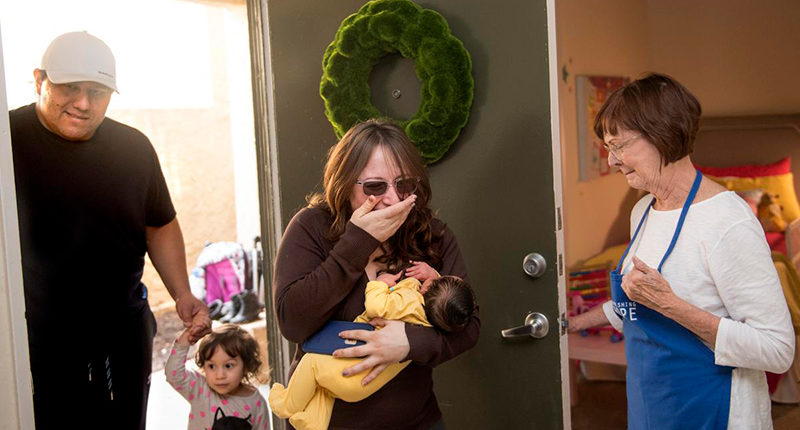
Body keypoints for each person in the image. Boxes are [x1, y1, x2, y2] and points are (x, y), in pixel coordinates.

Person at [569, 73, 795, 429]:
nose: (612, 161)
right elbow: (637, 302)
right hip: (651, 407)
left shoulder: (728, 221)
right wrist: (573, 323)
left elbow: (777, 350)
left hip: (716, 412)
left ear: (663, 135)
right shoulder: (643, 211)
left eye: (619, 146)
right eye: (608, 147)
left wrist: (671, 305)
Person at [9, 31, 211, 429]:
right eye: (70, 88)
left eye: (97, 92)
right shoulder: (6, 139)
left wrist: (182, 293)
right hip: (36, 335)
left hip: (121, 329)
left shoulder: (133, 149)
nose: (83, 104)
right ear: (39, 80)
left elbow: (160, 224)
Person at [272, 119, 480, 429]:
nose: (393, 198)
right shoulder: (311, 228)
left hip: (416, 421)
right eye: (375, 186)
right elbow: (293, 322)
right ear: (345, 184)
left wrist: (408, 342)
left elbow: (469, 326)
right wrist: (357, 243)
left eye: (404, 184)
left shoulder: (432, 237)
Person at [269, 267, 478, 430]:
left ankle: (288, 404)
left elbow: (376, 307)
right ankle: (314, 422)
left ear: (427, 288)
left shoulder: (409, 301)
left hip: (354, 375)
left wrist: (379, 284)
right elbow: (445, 300)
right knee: (324, 387)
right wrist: (435, 277)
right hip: (363, 384)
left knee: (312, 364)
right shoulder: (434, 322)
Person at [165, 324, 269, 429]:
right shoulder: (200, 388)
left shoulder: (256, 402)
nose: (220, 376)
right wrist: (186, 338)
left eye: (228, 366)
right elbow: (173, 374)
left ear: (246, 365)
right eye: (211, 366)